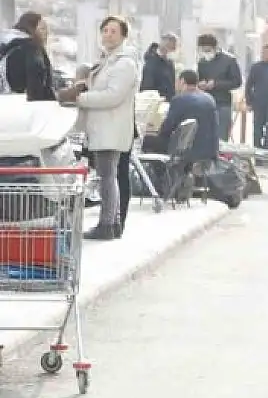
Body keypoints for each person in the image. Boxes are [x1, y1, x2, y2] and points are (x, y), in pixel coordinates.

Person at [58, 16, 140, 241]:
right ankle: (110, 222)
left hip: (111, 127)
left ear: (123, 35)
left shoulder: (125, 63)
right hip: (102, 126)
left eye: (113, 31)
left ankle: (107, 223)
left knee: (108, 176)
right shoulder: (107, 60)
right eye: (105, 30)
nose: (108, 35)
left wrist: (81, 98)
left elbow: (113, 96)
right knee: (107, 175)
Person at [148, 69, 220, 173]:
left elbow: (166, 130)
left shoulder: (180, 99)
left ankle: (159, 179)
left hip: (188, 149)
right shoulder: (209, 98)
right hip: (209, 150)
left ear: (182, 81)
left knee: (148, 142)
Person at [0, 11, 56, 101]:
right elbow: (37, 72)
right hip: (27, 106)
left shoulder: (5, 45)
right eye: (42, 29)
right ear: (31, 28)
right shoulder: (33, 48)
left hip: (5, 104)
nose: (46, 33)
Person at [196, 33, 243, 141]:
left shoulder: (229, 61)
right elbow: (199, 79)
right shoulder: (202, 62)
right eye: (203, 50)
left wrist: (216, 84)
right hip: (206, 103)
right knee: (206, 135)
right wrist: (200, 84)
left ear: (215, 48)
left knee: (221, 136)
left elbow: (237, 82)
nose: (205, 53)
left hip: (223, 103)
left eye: (207, 50)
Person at [244, 44, 268, 148]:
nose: (265, 55)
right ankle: (257, 150)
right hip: (258, 103)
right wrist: (249, 102)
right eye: (263, 53)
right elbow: (248, 85)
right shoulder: (256, 67)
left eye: (267, 53)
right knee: (258, 129)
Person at [139, 33, 178, 100]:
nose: (173, 52)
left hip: (169, 101)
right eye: (172, 48)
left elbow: (172, 85)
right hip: (156, 102)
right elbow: (147, 86)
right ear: (165, 46)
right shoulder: (151, 63)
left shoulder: (169, 63)